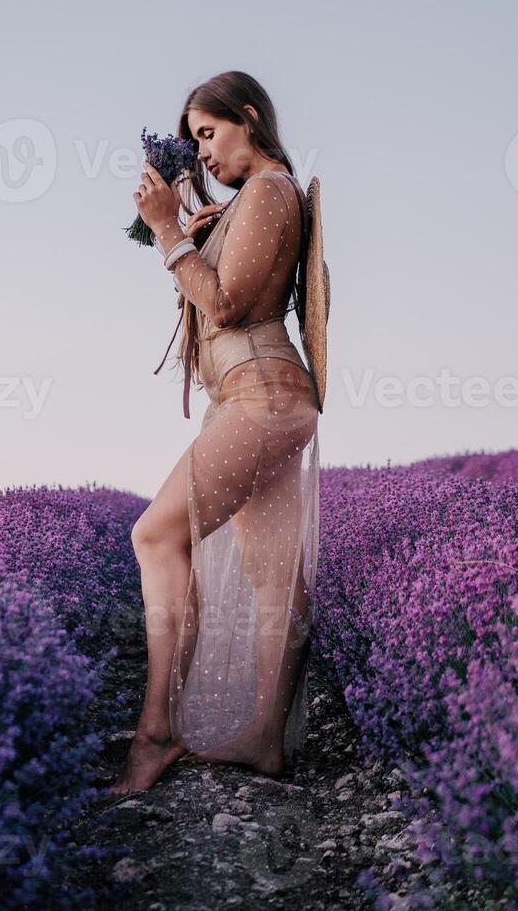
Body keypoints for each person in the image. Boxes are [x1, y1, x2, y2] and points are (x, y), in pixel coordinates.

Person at [110, 70, 322, 795]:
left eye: (208, 132)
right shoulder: (253, 202)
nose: (201, 153)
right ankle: (265, 739)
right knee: (271, 572)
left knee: (155, 536)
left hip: (259, 398)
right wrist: (189, 239)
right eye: (193, 140)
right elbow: (220, 292)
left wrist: (170, 230)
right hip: (270, 398)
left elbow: (227, 307)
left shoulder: (267, 189)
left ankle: (158, 732)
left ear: (250, 117)